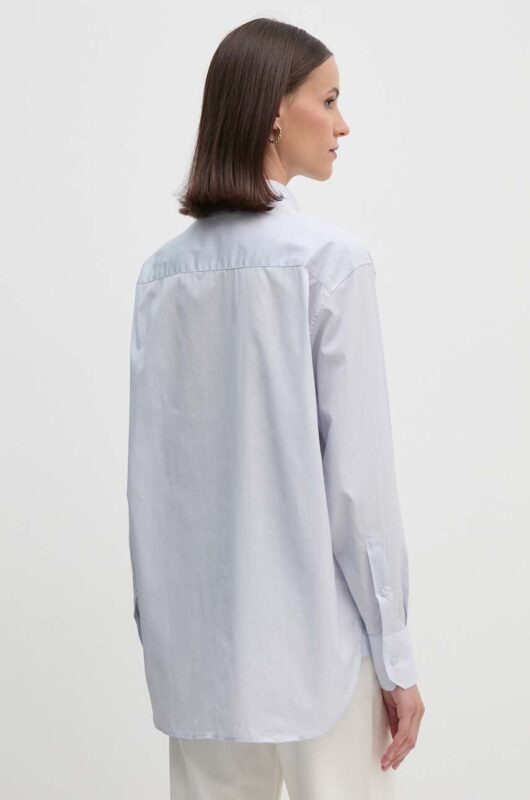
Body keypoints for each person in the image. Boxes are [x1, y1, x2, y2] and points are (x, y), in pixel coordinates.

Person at [126, 16, 425, 800]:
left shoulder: (161, 278)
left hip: (198, 662)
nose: (343, 123)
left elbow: (152, 482)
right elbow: (359, 483)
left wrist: (161, 634)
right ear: (273, 113)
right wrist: (395, 655)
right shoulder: (330, 265)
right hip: (319, 651)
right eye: (328, 100)